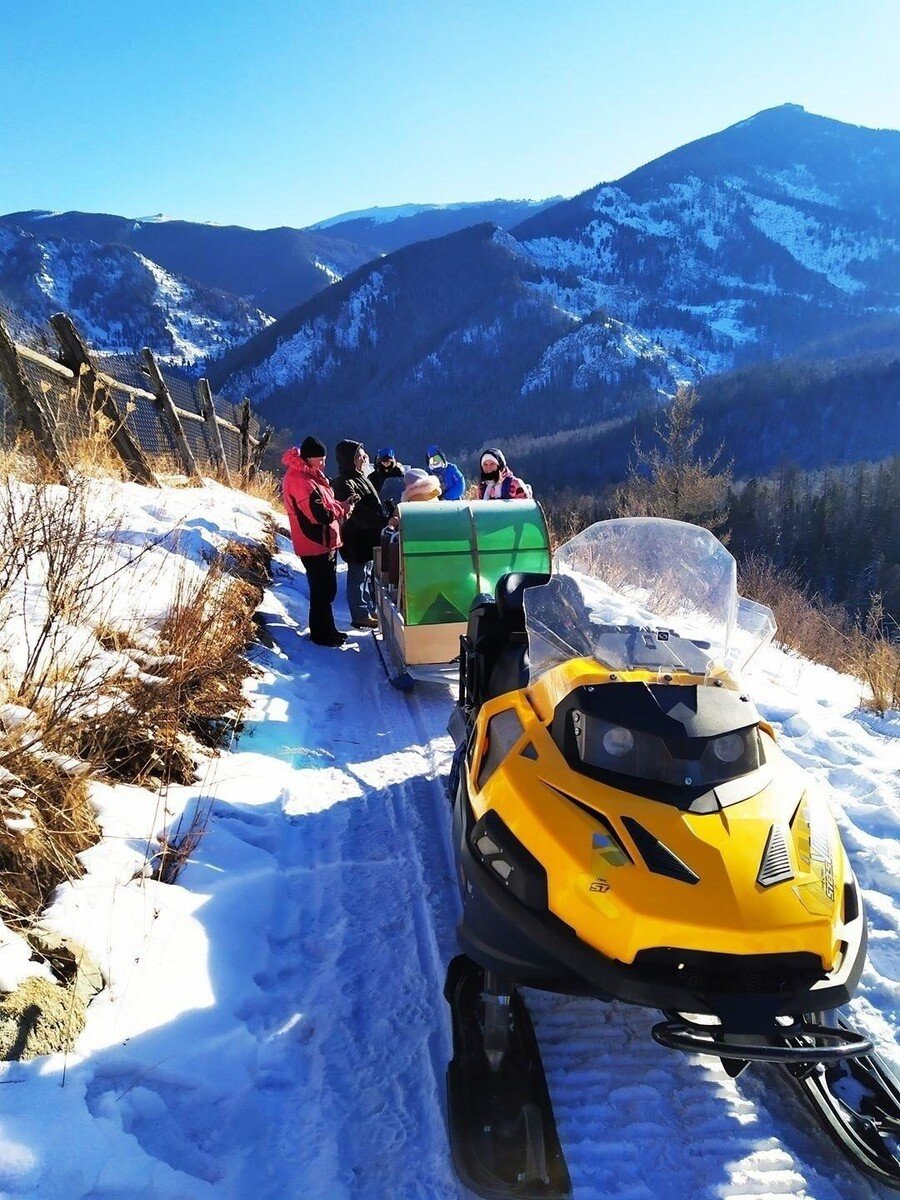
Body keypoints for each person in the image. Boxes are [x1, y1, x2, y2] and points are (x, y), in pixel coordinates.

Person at [282, 437, 354, 647]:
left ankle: (328, 630)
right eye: (320, 460)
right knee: (321, 591)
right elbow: (320, 514)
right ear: (309, 458)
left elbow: (326, 504)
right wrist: (344, 509)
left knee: (326, 590)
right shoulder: (299, 480)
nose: (324, 464)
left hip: (323, 542)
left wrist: (341, 504)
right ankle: (321, 635)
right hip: (314, 543)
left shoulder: (310, 476)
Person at [332, 440, 392, 629]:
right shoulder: (343, 482)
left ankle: (367, 608)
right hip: (356, 538)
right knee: (357, 576)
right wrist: (380, 519)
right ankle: (359, 613)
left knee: (366, 575)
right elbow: (356, 510)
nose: (363, 458)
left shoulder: (359, 476)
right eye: (358, 455)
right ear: (349, 459)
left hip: (367, 537)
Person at [372, 448, 406, 513]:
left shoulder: (398, 473)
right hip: (380, 505)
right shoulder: (374, 476)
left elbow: (403, 486)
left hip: (397, 503)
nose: (386, 463)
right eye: (383, 461)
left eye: (388, 461)